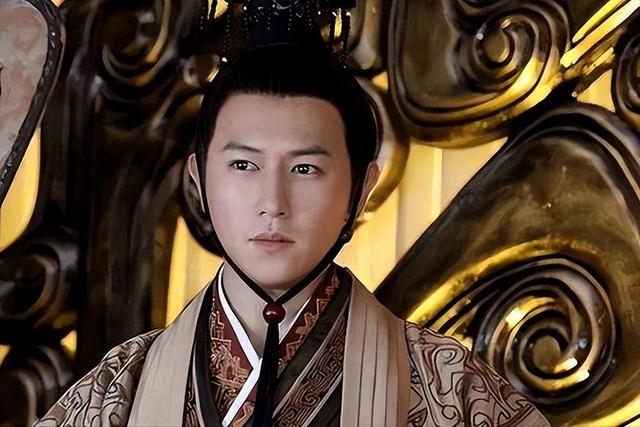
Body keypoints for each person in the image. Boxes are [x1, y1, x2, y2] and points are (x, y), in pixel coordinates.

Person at [38, 6, 550, 427]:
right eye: (244, 165)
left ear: (361, 189)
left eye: (305, 168)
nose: (273, 202)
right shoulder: (119, 387)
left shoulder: (449, 388)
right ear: (198, 179)